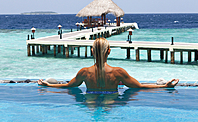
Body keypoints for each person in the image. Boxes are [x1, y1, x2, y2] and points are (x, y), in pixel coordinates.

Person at [38, 37, 179, 92]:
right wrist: (165, 86)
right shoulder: (118, 72)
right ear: (109, 51)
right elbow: (140, 87)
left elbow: (68, 86)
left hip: (90, 106)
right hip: (112, 105)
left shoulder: (84, 72)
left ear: (92, 51)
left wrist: (48, 85)